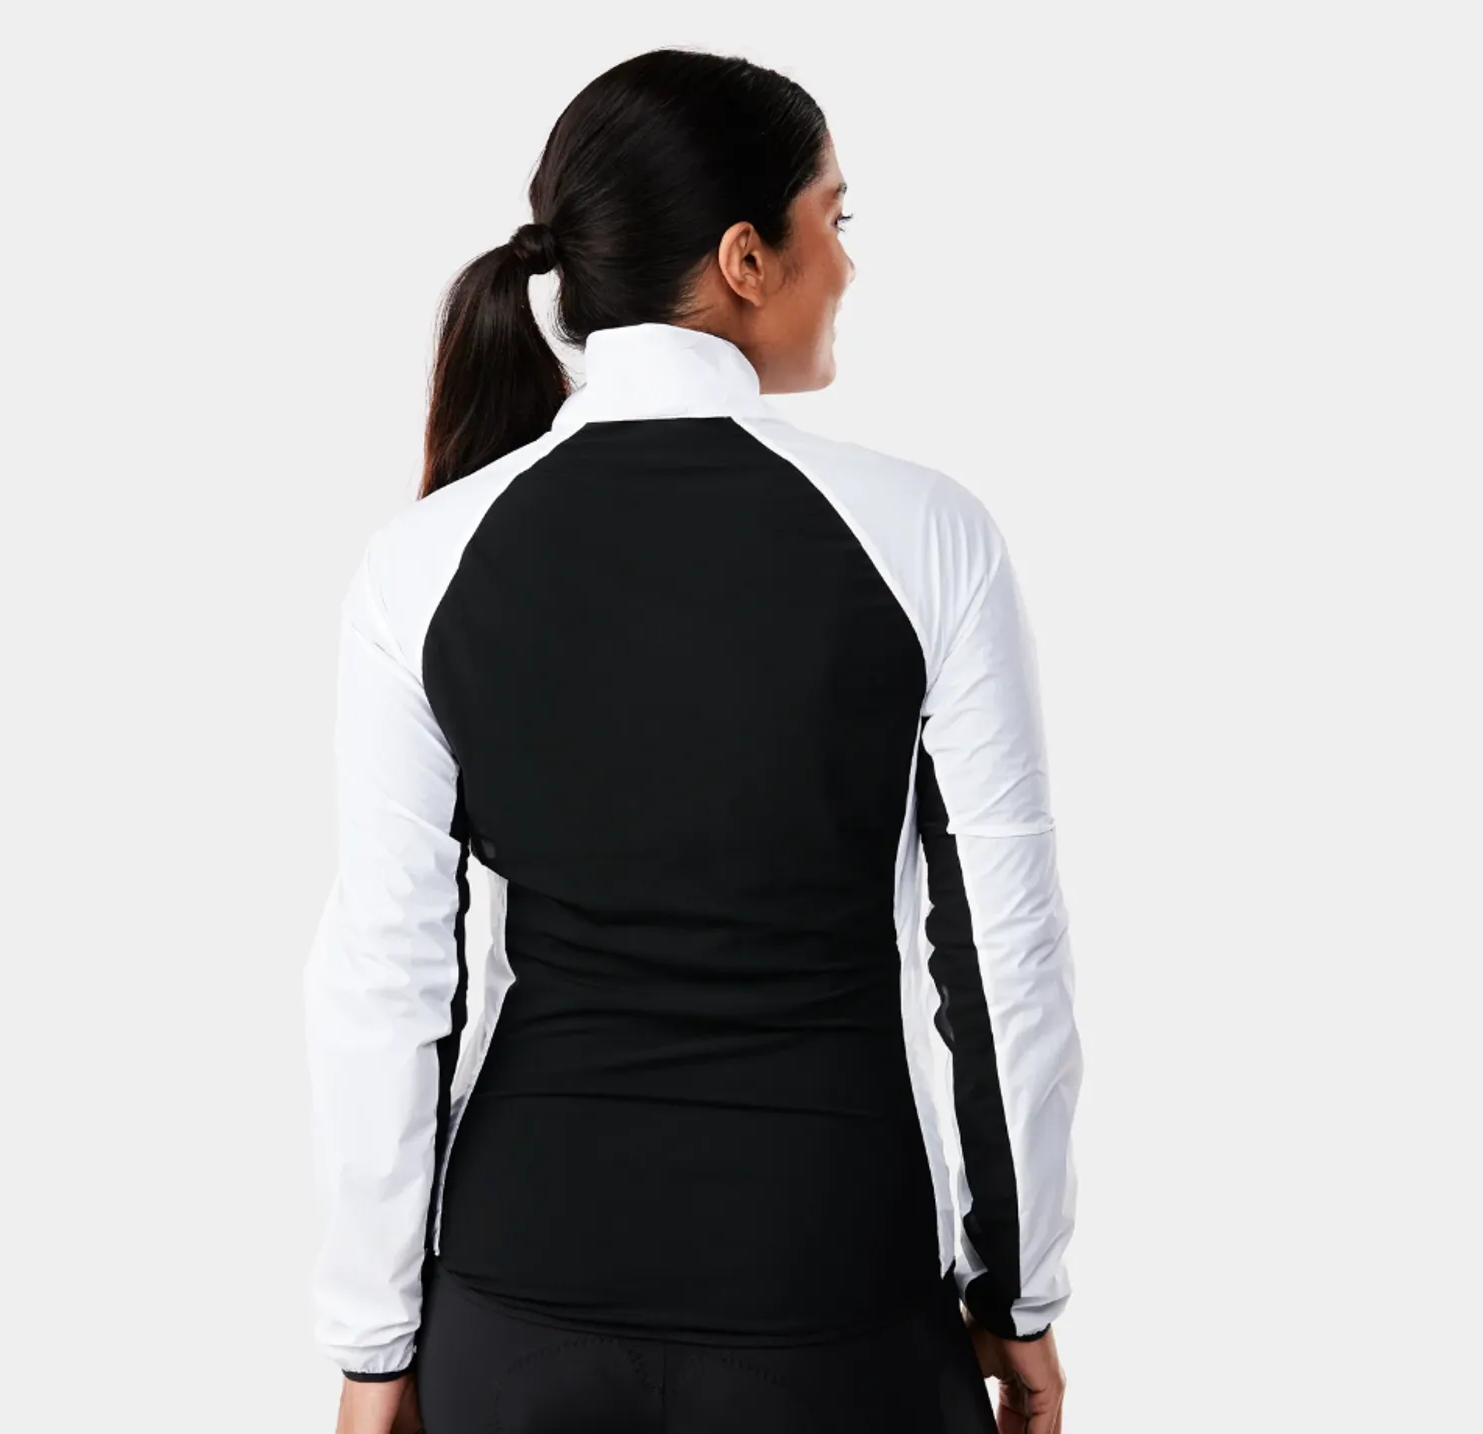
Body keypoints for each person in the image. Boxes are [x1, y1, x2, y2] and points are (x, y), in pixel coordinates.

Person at [304, 47, 1082, 1434]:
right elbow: (1002, 963)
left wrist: (375, 1347)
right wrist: (1017, 1298)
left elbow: (386, 982)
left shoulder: (420, 562)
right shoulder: (925, 536)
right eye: (834, 219)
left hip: (520, 1307)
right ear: (745, 257)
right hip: (830, 1298)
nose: (848, 264)